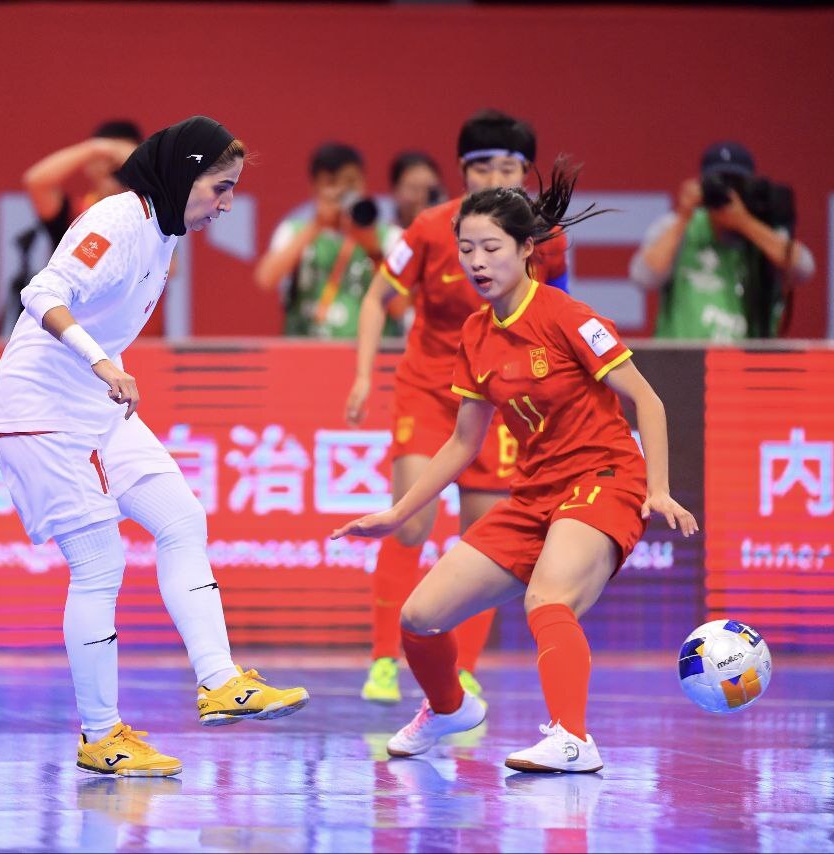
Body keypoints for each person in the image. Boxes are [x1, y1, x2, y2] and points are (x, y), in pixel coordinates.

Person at [0, 117, 308, 779]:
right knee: (99, 565)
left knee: (181, 519)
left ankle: (220, 681)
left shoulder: (163, 234)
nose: (226, 204)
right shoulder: (118, 221)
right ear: (184, 174)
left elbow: (86, 311)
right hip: (45, 414)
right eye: (220, 187)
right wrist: (95, 365)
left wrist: (11, 360)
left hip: (90, 403)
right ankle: (102, 737)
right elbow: (44, 292)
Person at [333, 160, 698, 773]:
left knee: (547, 599)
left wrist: (657, 489)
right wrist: (398, 513)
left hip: (604, 480)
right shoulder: (475, 335)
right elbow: (462, 444)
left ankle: (573, 739)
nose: (476, 262)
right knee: (419, 618)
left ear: (528, 249)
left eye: (491, 248)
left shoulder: (568, 316)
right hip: (533, 496)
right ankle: (449, 709)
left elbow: (649, 400)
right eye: (466, 250)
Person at [345, 110, 568, 705]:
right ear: (463, 172)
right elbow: (377, 299)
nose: (496, 178)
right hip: (430, 390)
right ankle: (385, 660)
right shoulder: (429, 228)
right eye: (483, 167)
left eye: (509, 167)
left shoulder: (544, 237)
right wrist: (363, 376)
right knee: (412, 520)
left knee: (485, 535)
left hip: (502, 400)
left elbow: (558, 309)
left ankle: (464, 669)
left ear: (526, 172)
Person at [628, 141, 814, 340]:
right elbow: (643, 277)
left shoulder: (763, 232)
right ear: (701, 184)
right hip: (684, 356)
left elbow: (804, 268)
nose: (728, 191)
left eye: (736, 184)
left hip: (746, 356)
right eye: (719, 182)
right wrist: (683, 216)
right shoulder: (680, 226)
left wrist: (744, 223)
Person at [6, 121, 144, 333]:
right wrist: (95, 148)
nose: (114, 169)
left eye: (122, 162)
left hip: (138, 338)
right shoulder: (73, 214)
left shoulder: (151, 214)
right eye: (106, 160)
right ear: (89, 166)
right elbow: (36, 181)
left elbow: (171, 268)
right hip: (75, 337)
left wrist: (139, 162)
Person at [253, 143, 400, 339]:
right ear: (314, 188)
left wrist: (373, 250)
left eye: (350, 182)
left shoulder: (389, 236)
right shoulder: (294, 230)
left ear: (363, 183)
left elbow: (400, 307)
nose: (342, 192)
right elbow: (266, 279)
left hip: (369, 351)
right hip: (305, 350)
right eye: (331, 183)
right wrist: (316, 226)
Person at [388, 151, 444, 231]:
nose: (422, 196)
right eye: (414, 188)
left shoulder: (454, 231)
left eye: (429, 189)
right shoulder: (384, 235)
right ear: (395, 191)